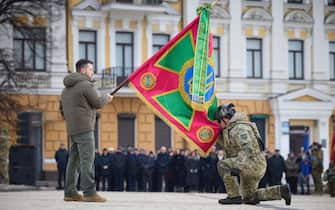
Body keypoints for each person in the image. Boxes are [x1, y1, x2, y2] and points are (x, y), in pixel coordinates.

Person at [215, 103, 291, 205]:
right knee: (249, 197)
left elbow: (248, 148)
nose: (219, 124)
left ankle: (233, 196)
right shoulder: (233, 128)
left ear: (225, 118)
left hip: (252, 164)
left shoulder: (239, 128)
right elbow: (231, 148)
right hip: (256, 164)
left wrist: (238, 165)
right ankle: (281, 191)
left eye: (219, 121)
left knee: (223, 164)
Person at [60, 59, 113, 202]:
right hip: (85, 129)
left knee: (73, 161)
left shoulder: (66, 89)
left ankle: (70, 192)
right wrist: (106, 98)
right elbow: (97, 103)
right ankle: (89, 193)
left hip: (72, 129)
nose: (92, 72)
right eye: (91, 69)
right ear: (83, 70)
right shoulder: (86, 85)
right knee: (87, 160)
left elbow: (61, 110)